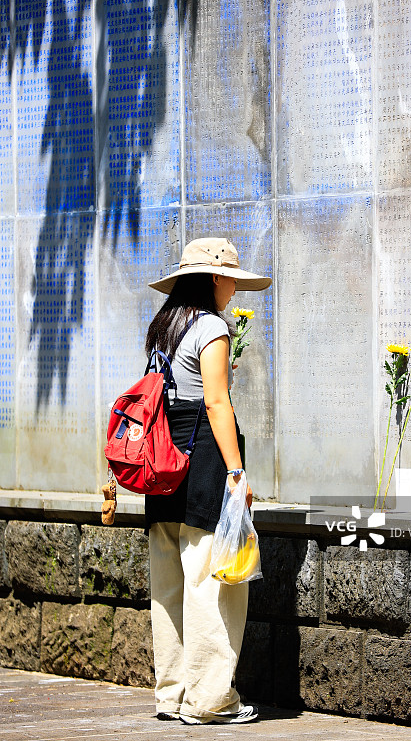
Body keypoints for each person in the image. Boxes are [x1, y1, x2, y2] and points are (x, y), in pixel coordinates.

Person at [144, 237, 272, 726]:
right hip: (200, 464)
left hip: (160, 462)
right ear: (214, 278)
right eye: (231, 278)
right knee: (210, 580)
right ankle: (211, 700)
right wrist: (237, 472)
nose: (235, 287)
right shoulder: (213, 326)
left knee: (169, 582)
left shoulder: (164, 327)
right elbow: (217, 403)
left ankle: (172, 694)